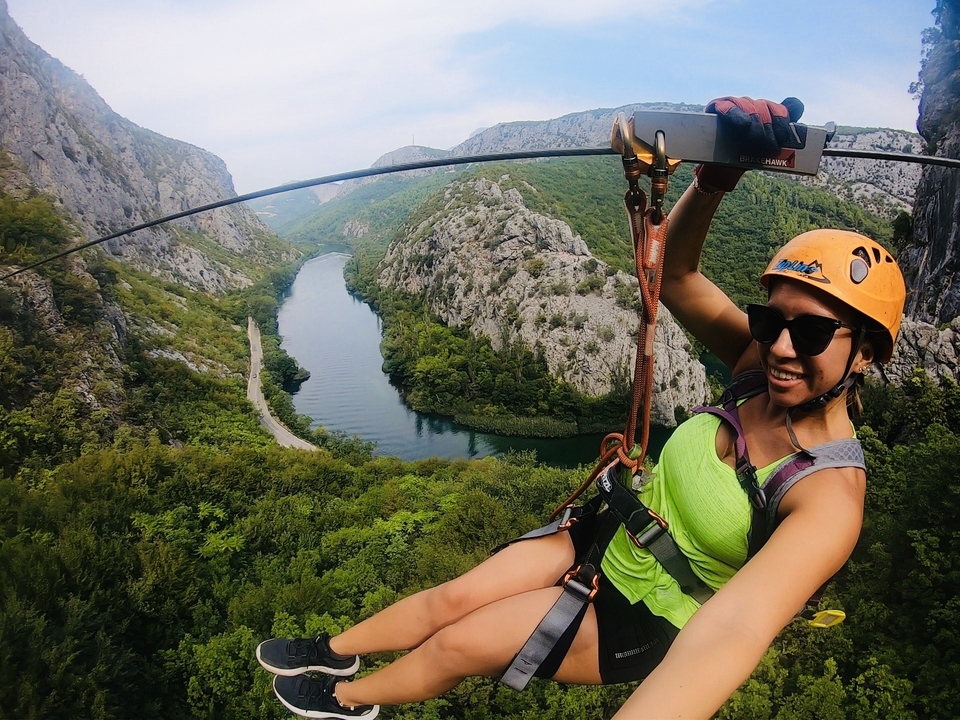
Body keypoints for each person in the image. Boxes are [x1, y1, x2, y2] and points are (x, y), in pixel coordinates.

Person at [254, 97, 907, 720]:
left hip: (639, 613)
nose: (782, 347)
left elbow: (735, 629)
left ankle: (346, 703)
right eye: (769, 320)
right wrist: (713, 180)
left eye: (814, 333)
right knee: (453, 598)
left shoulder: (827, 500)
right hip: (605, 532)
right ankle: (333, 655)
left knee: (459, 643)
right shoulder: (753, 368)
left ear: (867, 354)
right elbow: (674, 278)